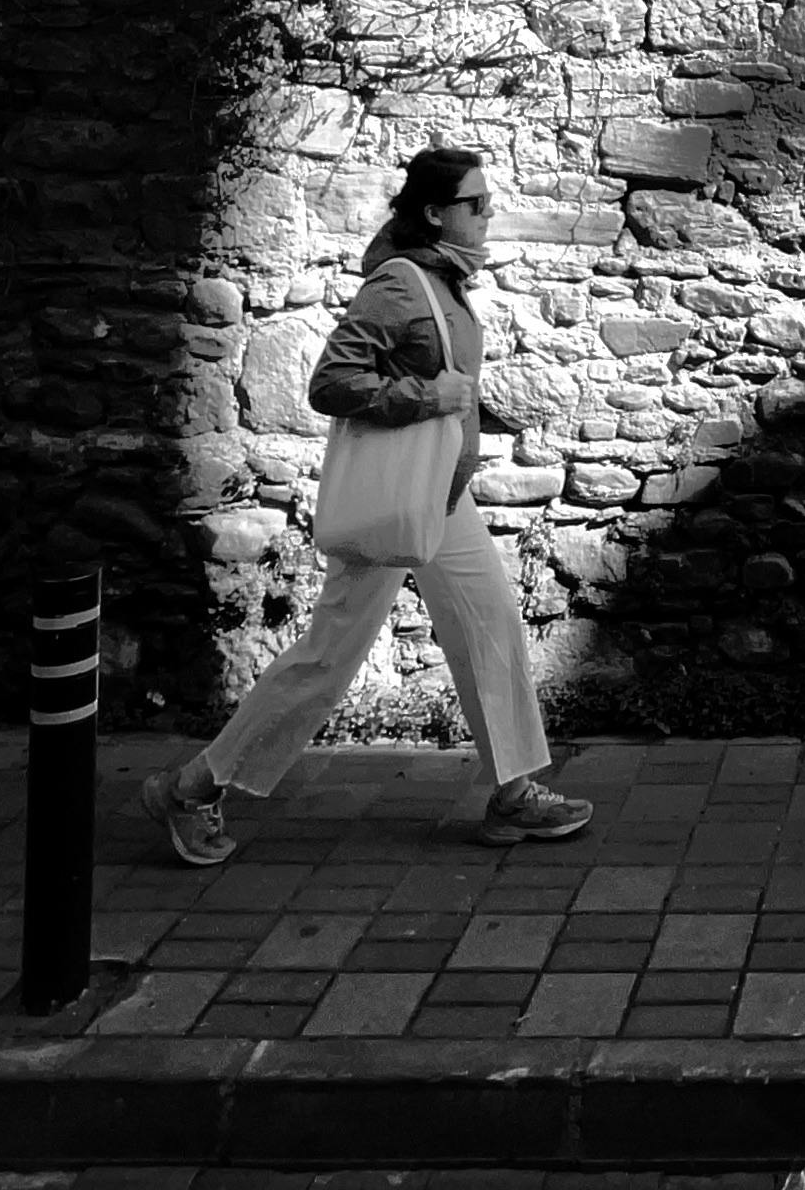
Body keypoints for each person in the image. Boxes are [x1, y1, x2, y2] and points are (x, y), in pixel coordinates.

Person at [133, 143, 593, 863]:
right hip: (397, 503)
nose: (489, 211)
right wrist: (426, 396)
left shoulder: (444, 280)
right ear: (438, 214)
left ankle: (512, 795)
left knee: (491, 626)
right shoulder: (403, 286)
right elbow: (329, 383)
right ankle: (190, 788)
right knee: (329, 658)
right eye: (476, 202)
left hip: (444, 498)